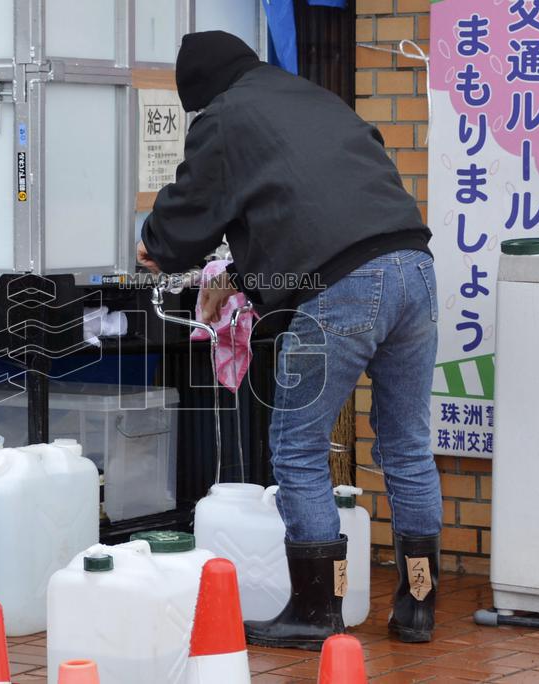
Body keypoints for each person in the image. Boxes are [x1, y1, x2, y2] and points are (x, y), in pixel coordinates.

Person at [137, 31, 442, 650]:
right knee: (406, 444)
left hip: (347, 292)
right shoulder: (311, 98)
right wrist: (242, 281)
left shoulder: (222, 117)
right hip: (415, 268)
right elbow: (308, 210)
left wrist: (156, 248)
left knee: (297, 446)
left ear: (199, 92)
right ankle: (418, 604)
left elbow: (187, 217)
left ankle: (315, 610)